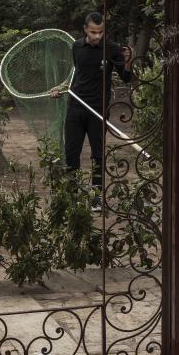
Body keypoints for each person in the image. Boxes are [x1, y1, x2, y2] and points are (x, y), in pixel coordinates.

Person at [51, 12, 133, 210]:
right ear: (86, 29)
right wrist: (61, 87)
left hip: (98, 110)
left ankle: (96, 199)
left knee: (97, 155)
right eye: (93, 32)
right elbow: (76, 73)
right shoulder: (76, 46)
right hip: (75, 107)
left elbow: (127, 78)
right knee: (71, 154)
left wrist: (128, 60)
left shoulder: (112, 49)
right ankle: (72, 196)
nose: (97, 36)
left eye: (101, 32)